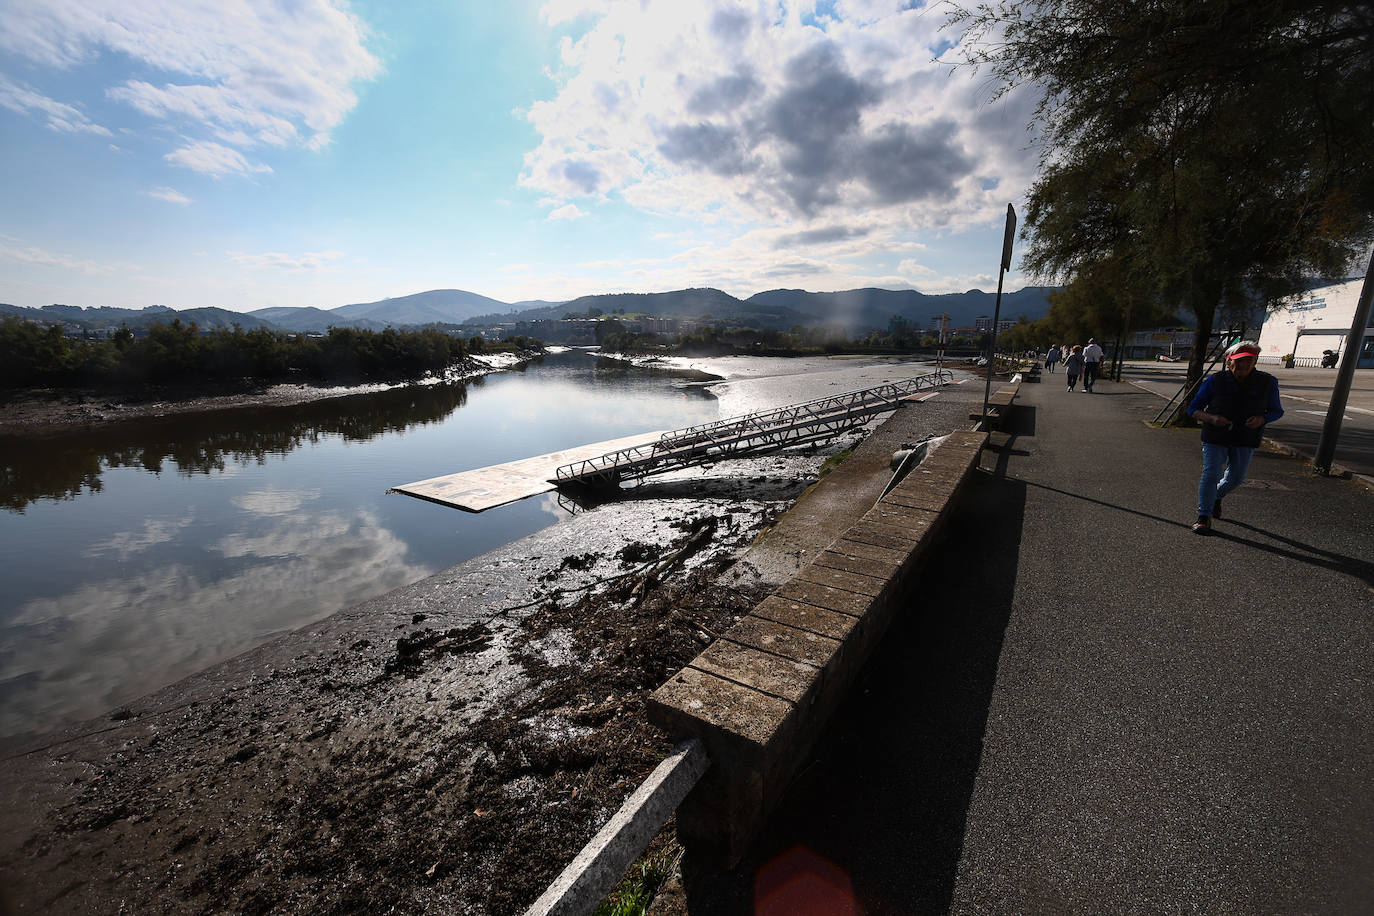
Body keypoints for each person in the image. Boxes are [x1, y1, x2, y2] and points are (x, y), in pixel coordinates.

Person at [1186, 341, 1284, 534]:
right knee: (1211, 473)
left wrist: (1262, 418)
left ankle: (1216, 497)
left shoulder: (1267, 382)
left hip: (1246, 436)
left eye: (1249, 361)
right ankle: (1203, 516)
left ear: (1255, 362)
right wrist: (1211, 418)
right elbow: (1193, 409)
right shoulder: (1216, 380)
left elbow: (1277, 411)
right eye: (1239, 361)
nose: (1244, 365)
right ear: (1229, 361)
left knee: (1237, 478)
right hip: (1215, 435)